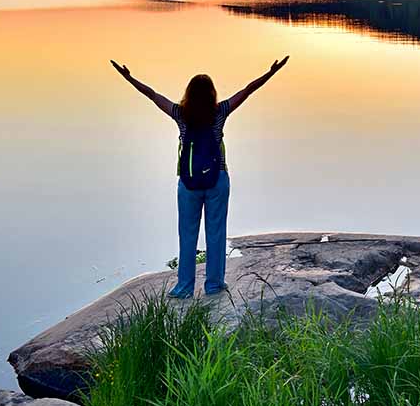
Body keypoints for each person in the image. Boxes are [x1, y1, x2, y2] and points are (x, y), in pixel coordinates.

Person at [109, 57, 289, 298]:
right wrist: (271, 72)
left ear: (189, 94)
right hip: (217, 179)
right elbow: (247, 90)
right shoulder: (220, 112)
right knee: (216, 233)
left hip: (188, 182)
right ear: (212, 94)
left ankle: (184, 287)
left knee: (187, 235)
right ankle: (213, 285)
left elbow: (152, 95)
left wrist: (129, 78)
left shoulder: (180, 114)